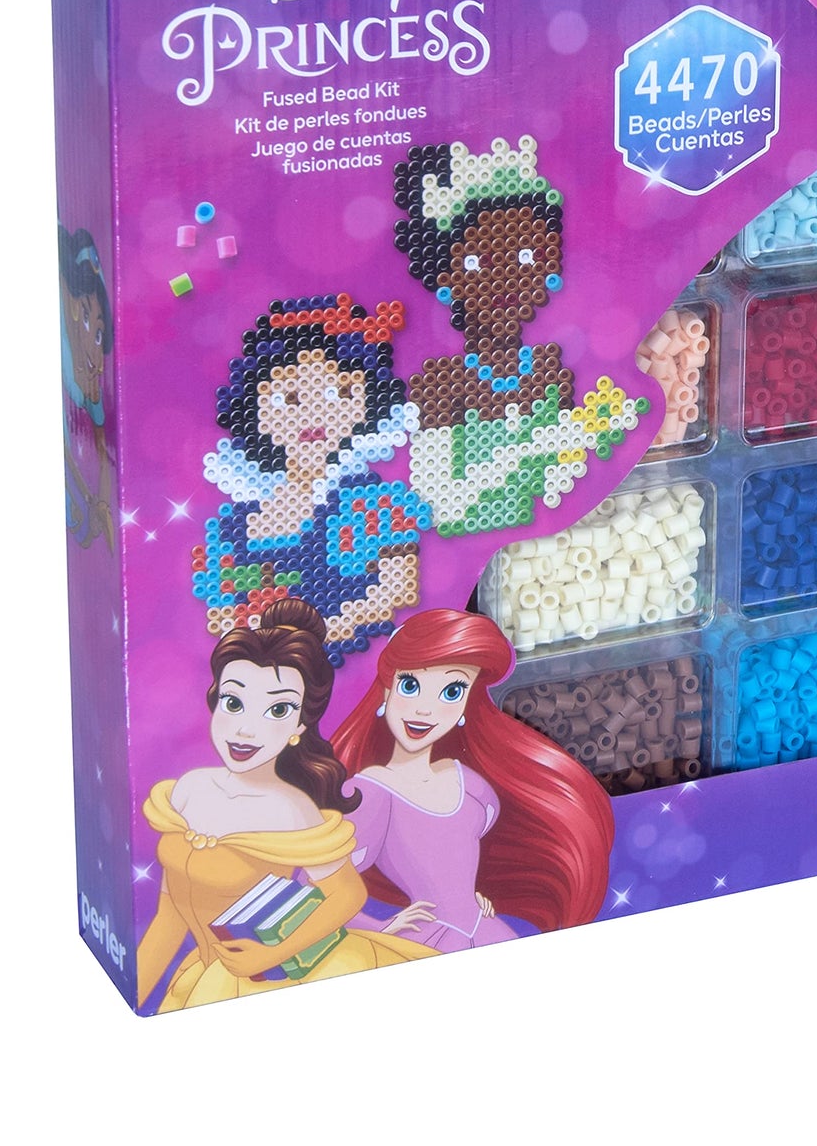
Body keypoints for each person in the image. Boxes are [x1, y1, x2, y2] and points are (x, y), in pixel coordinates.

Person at [135, 600, 433, 1012]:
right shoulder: (189, 788)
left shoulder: (290, 808)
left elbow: (347, 894)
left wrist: (269, 955)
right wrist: (134, 992)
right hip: (203, 979)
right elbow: (168, 919)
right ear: (215, 700)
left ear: (299, 726)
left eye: (277, 710)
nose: (245, 729)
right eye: (234, 702)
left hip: (264, 983)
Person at [392, 134, 643, 532]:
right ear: (446, 277)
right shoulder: (442, 385)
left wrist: (590, 435)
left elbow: (563, 484)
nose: (504, 279)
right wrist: (531, 452)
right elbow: (439, 502)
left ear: (549, 266)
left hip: (548, 544)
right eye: (476, 262)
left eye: (526, 256)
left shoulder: (548, 370)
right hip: (482, 541)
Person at [333, 609, 614, 947]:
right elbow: (318, 886)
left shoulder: (471, 787)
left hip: (485, 929)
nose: (425, 709)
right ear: (385, 691)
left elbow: (456, 865)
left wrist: (470, 895)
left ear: (467, 704)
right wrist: (380, 928)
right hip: (426, 941)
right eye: (410, 685)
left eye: (451, 692)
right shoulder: (372, 792)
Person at [193, 293, 429, 664]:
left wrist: (334, 629)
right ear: (256, 410)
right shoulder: (234, 526)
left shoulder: (370, 503)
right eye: (289, 398)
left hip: (355, 666)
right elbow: (221, 610)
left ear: (364, 402)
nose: (313, 414)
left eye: (337, 392)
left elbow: (396, 586)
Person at [59, 225, 114, 550]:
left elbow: (103, 453)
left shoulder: (92, 396)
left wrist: (101, 503)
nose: (95, 358)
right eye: (84, 317)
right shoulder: (71, 383)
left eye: (99, 334)